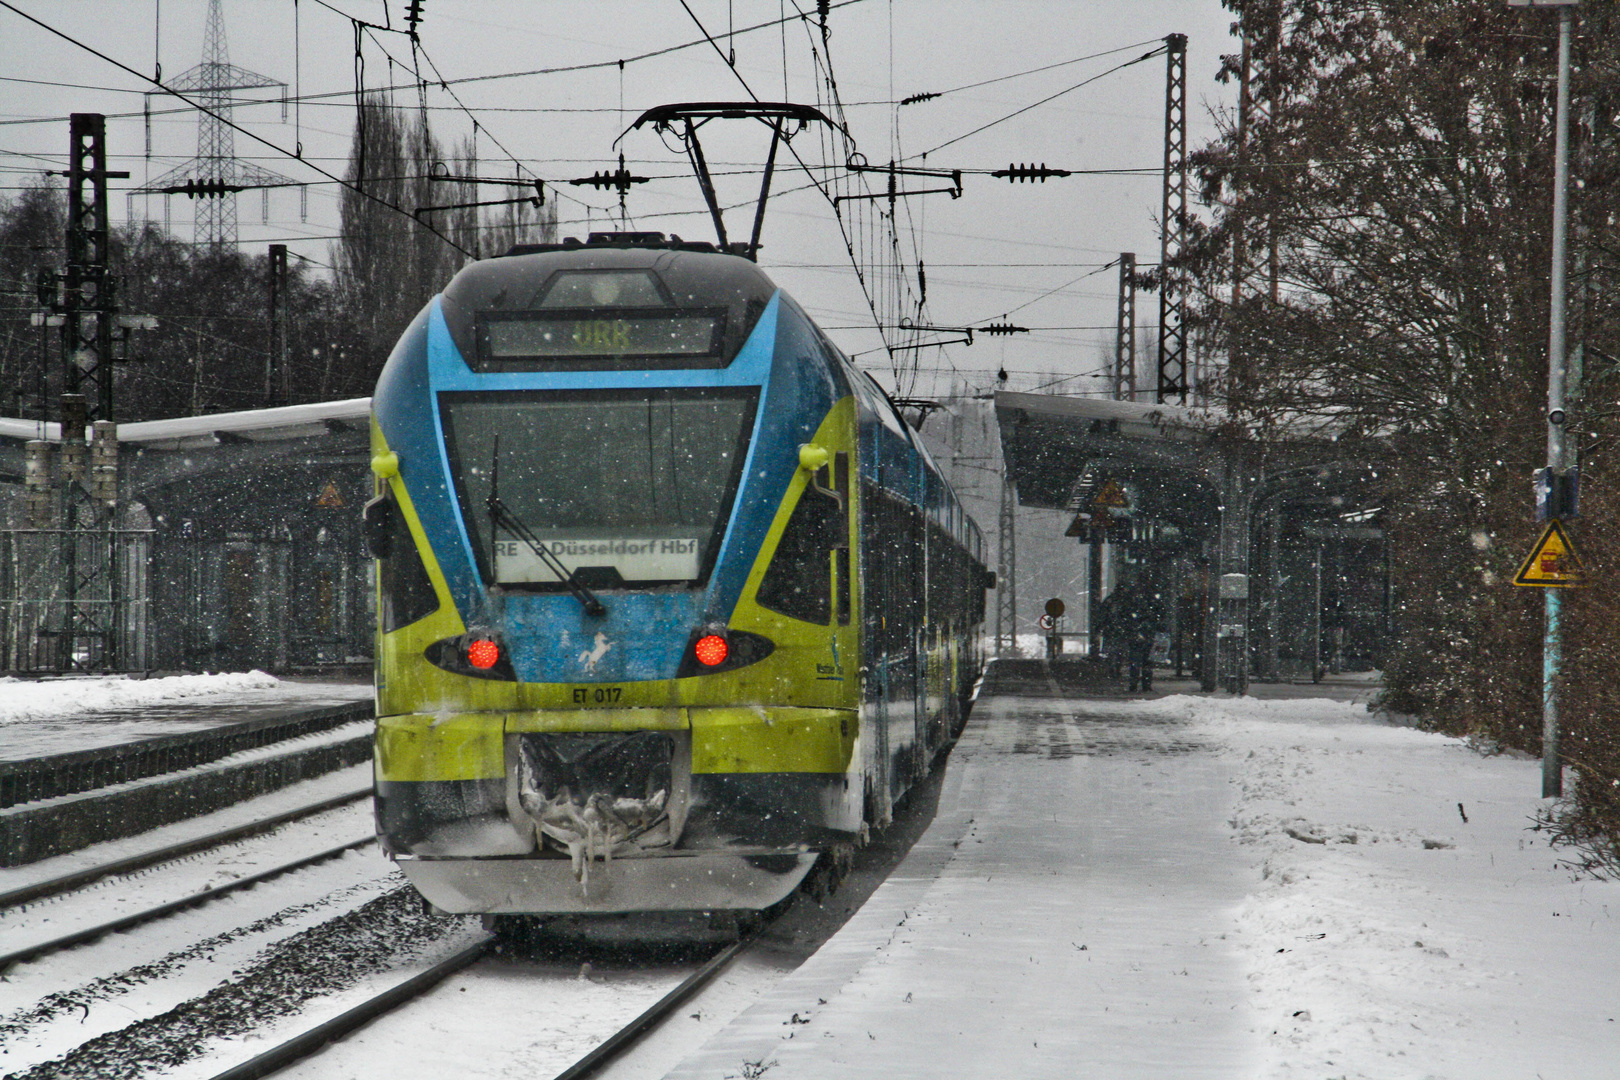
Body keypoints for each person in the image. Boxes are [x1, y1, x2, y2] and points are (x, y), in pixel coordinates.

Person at [1113, 577, 1166, 693]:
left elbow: (1123, 614)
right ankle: (1146, 685)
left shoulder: (1131, 599)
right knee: (1147, 660)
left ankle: (1134, 684)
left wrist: (1130, 627)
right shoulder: (1153, 599)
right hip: (1147, 632)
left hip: (1136, 632)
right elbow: (1161, 614)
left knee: (1136, 660)